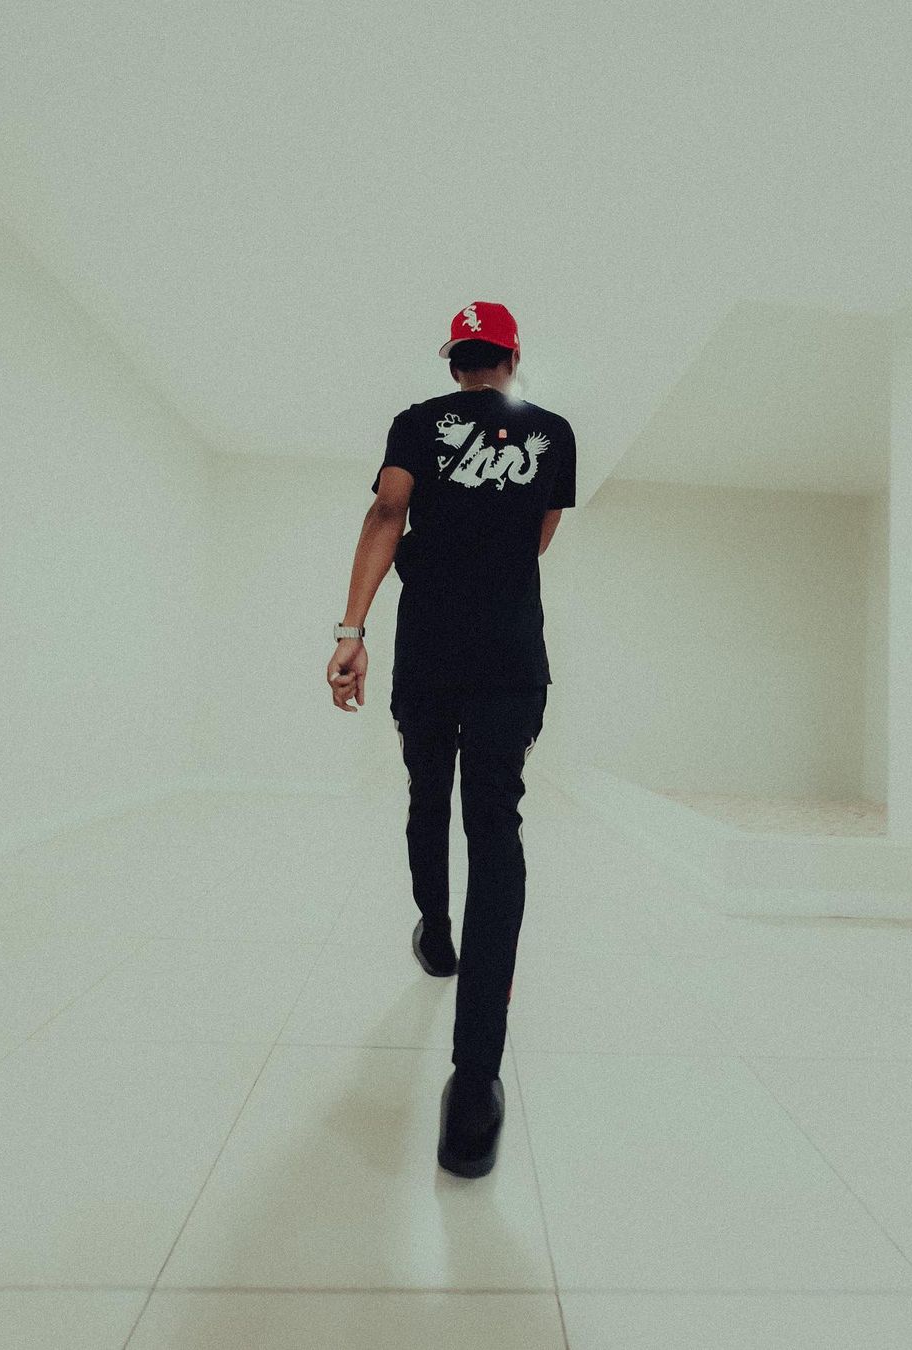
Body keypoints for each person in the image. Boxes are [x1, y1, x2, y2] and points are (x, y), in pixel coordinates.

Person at [325, 300, 577, 1177]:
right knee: (495, 829)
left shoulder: (417, 422)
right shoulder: (552, 432)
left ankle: (435, 929)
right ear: (512, 355)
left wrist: (351, 631)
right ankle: (474, 1088)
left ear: (454, 361)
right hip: (509, 657)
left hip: (428, 652)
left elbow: (386, 515)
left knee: (427, 795)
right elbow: (538, 539)